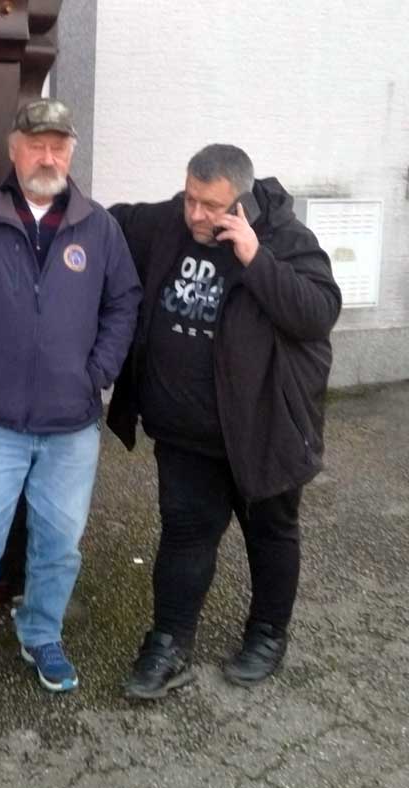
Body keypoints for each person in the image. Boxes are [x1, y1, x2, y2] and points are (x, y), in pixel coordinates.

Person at [0, 99, 141, 728]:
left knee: (60, 545)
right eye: (37, 143)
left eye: (59, 145)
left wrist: (97, 372)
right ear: (14, 149)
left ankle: (41, 633)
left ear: (70, 152)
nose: (48, 156)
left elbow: (124, 302)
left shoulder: (98, 228)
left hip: (71, 427)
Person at [107, 143, 342, 699]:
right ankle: (169, 644)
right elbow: (105, 224)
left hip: (262, 430)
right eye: (189, 198)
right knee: (184, 536)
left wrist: (256, 259)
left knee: (270, 534)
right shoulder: (169, 222)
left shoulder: (284, 238)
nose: (194, 214)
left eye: (209, 205)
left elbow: (317, 314)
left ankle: (267, 634)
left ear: (240, 201)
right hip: (184, 433)